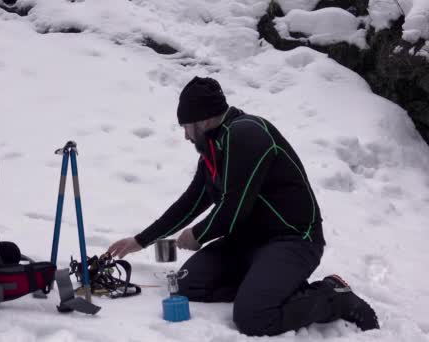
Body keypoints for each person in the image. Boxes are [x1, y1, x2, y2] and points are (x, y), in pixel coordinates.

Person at [107, 76, 379, 336]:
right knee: (187, 286)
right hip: (247, 241)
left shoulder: (247, 135)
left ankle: (335, 297)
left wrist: (198, 235)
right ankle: (268, 285)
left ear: (202, 120)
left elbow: (234, 209)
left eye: (186, 126)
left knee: (254, 317)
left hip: (293, 239)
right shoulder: (214, 148)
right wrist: (140, 241)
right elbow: (190, 202)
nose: (186, 136)